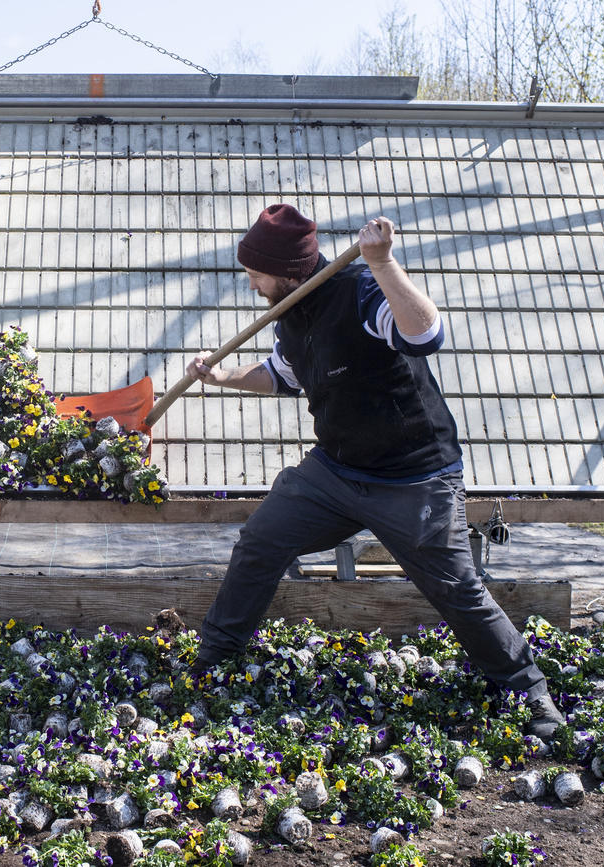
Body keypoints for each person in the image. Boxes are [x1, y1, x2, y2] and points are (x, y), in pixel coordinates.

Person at [186, 204, 564, 739]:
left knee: (455, 588)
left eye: (254, 274)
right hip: (336, 471)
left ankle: (528, 689)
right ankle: (213, 660)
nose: (250, 284)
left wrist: (384, 264)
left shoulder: (361, 290)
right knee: (261, 540)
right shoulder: (290, 310)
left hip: (415, 478)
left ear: (288, 271)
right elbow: (282, 375)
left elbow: (425, 334)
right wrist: (224, 376)